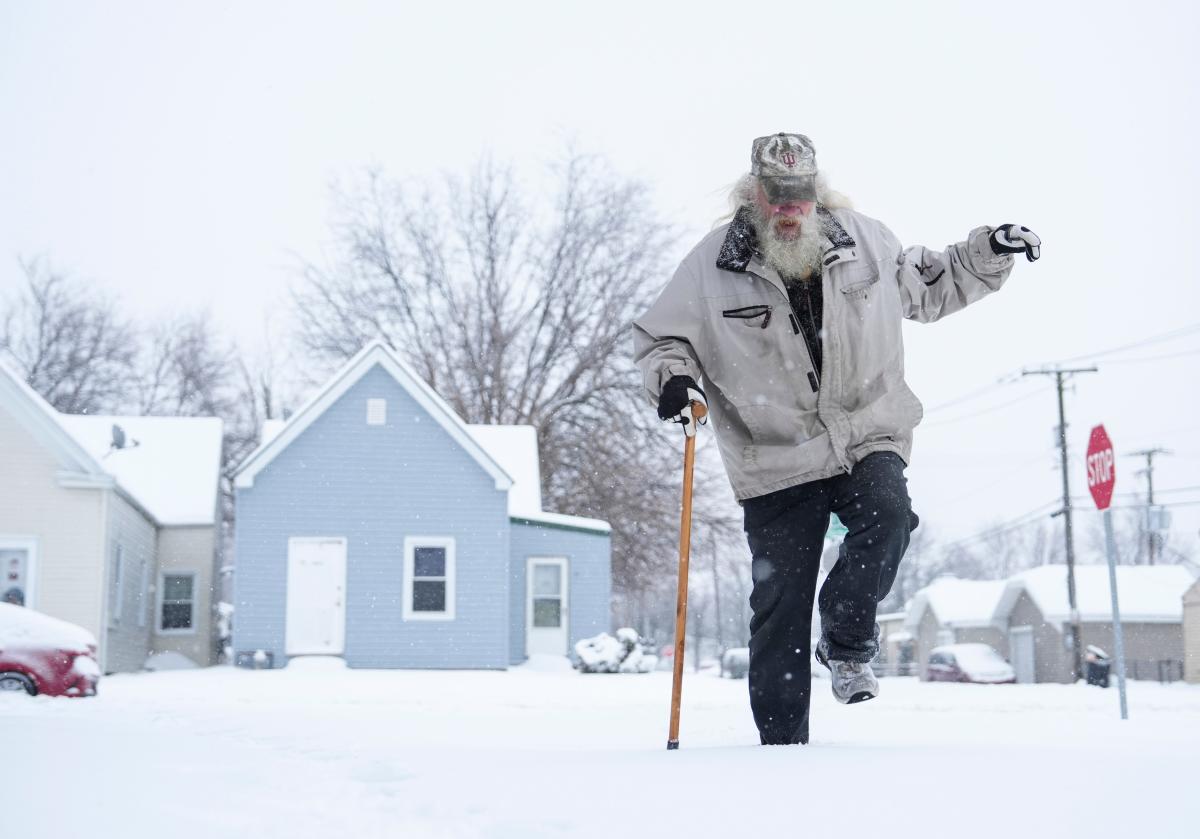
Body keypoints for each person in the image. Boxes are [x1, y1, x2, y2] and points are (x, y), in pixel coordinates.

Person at [632, 133, 1040, 745]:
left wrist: (988, 253)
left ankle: (847, 644)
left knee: (890, 514)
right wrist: (675, 380)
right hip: (773, 454)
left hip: (864, 429)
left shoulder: (865, 240)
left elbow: (931, 283)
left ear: (816, 190)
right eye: (777, 196)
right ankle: (781, 748)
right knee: (779, 607)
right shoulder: (712, 266)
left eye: (801, 195)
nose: (790, 208)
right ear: (754, 193)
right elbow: (662, 338)